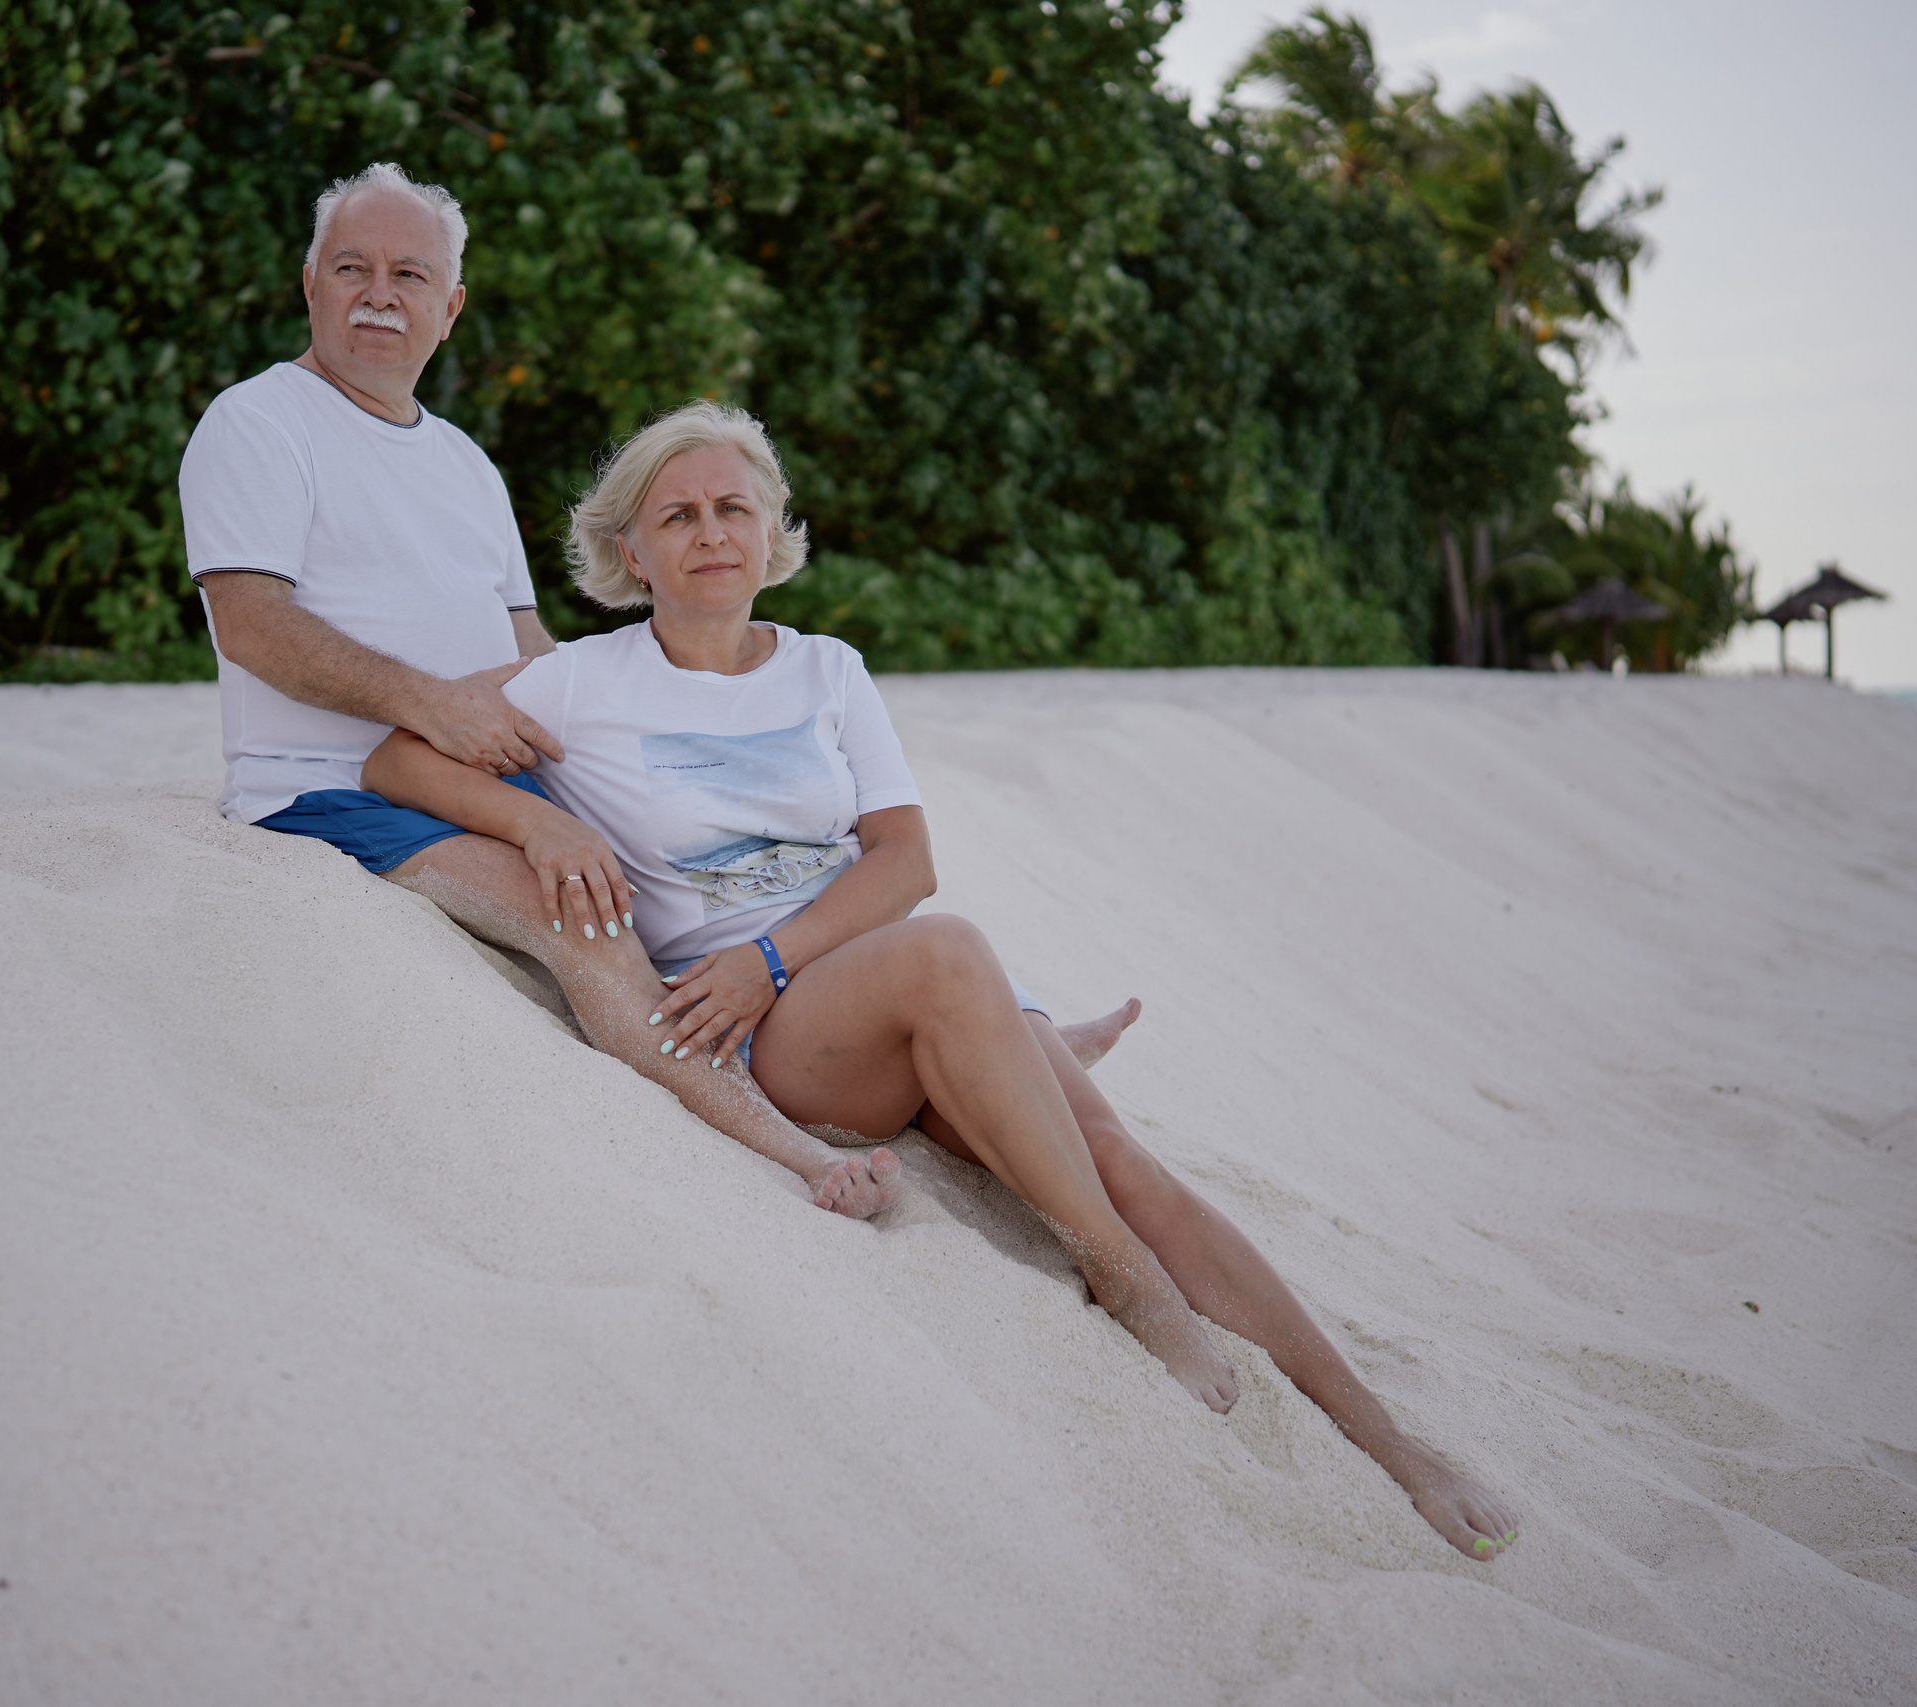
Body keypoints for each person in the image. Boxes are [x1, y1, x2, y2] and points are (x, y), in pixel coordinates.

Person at [360, 400, 1525, 1562]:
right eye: (678, 515)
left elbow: (904, 858)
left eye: (734, 508)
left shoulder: (827, 672)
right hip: (790, 1041)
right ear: (630, 553)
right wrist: (542, 828)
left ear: (771, 535)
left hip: (844, 981)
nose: (710, 532)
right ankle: (1120, 1276)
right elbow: (396, 755)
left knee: (1119, 1156)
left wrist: (773, 955)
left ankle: (1398, 1451)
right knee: (954, 952)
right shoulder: (578, 684)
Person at [181, 162, 1132, 1218]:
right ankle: (791, 1149)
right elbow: (249, 623)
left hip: (477, 753)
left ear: (448, 308)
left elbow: (530, 645)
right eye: (351, 268)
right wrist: (432, 709)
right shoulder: (257, 423)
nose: (378, 294)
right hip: (331, 787)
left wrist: (659, 717)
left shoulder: (462, 465)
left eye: (410, 274)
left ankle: (1023, 1028)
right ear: (309, 282)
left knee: (763, 851)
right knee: (582, 912)